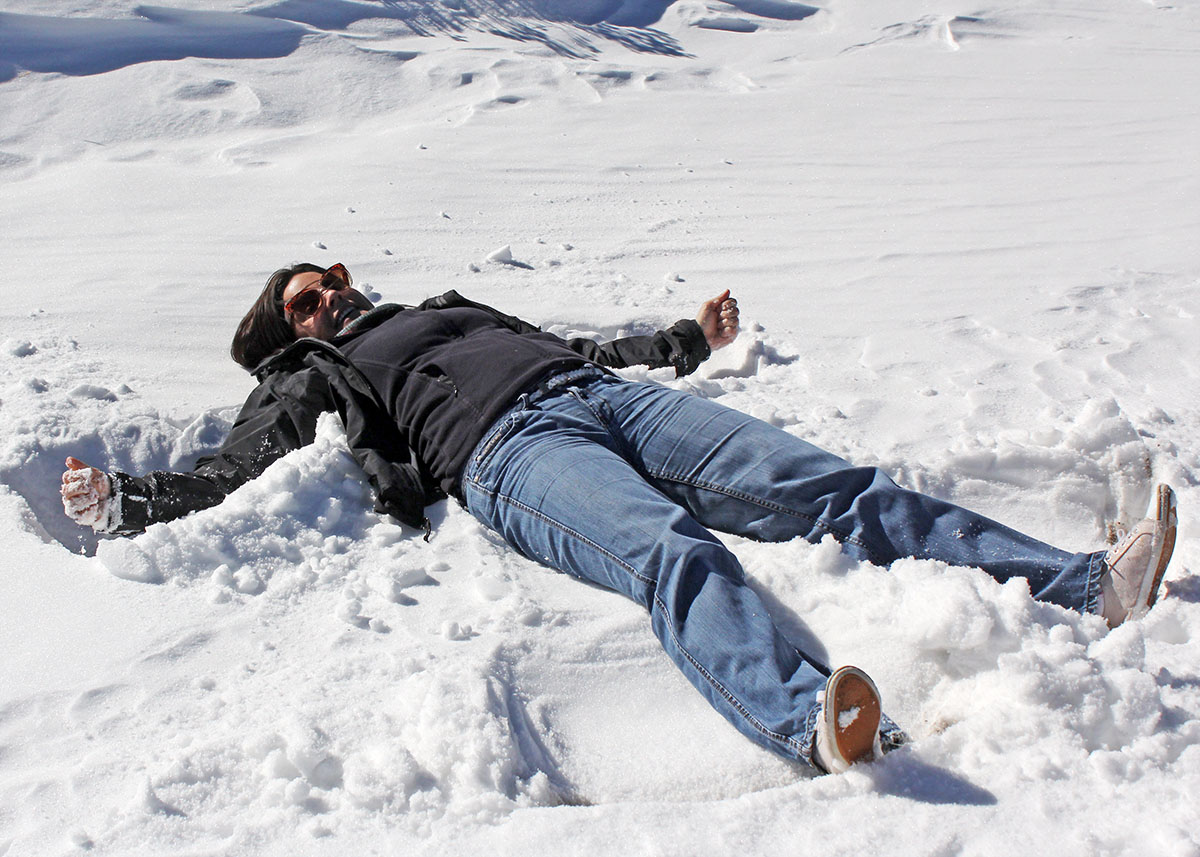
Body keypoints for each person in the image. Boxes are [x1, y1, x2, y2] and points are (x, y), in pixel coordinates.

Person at [60, 262, 1179, 774]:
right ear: (289, 329)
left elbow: (578, 345)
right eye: (309, 297)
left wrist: (683, 341)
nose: (336, 292)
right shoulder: (311, 372)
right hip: (508, 454)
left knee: (837, 487)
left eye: (335, 277)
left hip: (602, 396)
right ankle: (817, 723)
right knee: (669, 551)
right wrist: (135, 501)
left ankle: (1089, 583)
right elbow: (243, 462)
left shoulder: (440, 304)